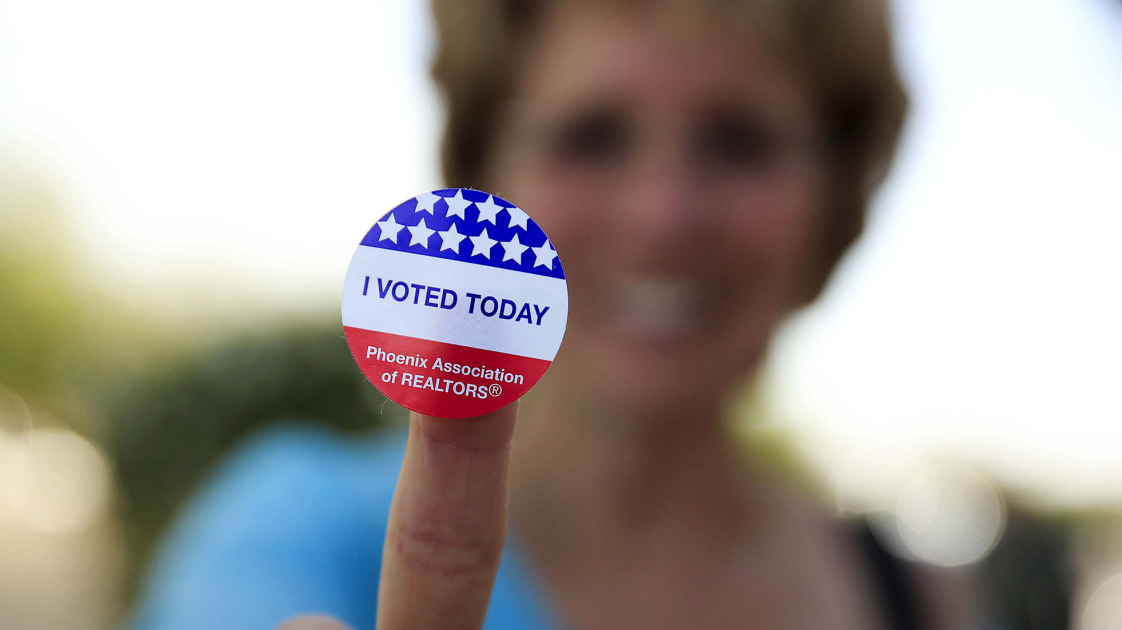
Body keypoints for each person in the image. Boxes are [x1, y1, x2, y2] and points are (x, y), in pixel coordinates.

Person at [128, 0, 978, 628]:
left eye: (738, 141)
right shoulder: (294, 535)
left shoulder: (918, 603)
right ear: (483, 179)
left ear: (833, 203)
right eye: (592, 136)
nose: (662, 215)